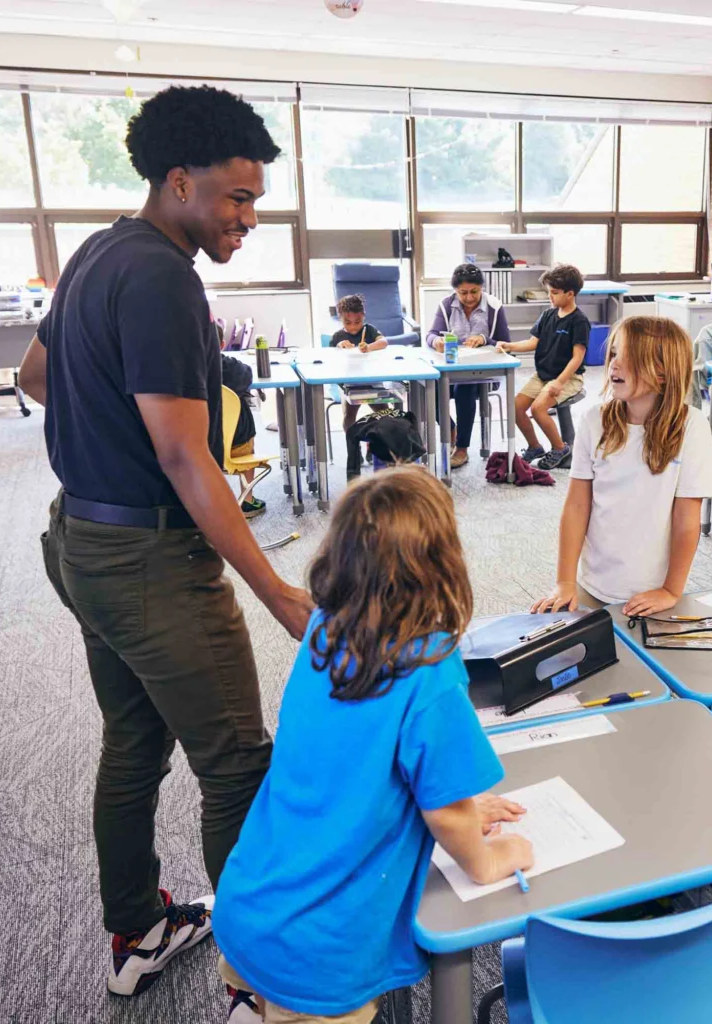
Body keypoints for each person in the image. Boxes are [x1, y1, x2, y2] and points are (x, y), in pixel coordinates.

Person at [18, 85, 312, 998]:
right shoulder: (161, 279)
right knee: (236, 765)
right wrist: (277, 591)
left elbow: (34, 375)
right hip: (147, 563)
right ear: (179, 181)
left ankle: (138, 931)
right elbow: (191, 466)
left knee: (134, 740)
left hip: (80, 541)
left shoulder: (101, 248)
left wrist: (110, 426)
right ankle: (255, 981)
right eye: (236, 198)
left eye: (256, 200)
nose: (248, 219)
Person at [213, 468, 534, 1024]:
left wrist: (454, 802)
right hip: (322, 951)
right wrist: (489, 859)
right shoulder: (429, 672)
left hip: (251, 900)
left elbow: (360, 761)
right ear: (442, 566)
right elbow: (446, 815)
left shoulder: (323, 629)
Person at [532, 316, 712, 617]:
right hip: (592, 584)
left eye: (628, 356)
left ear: (663, 372)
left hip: (654, 591)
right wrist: (564, 582)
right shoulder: (594, 421)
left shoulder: (692, 427)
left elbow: (686, 519)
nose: (614, 363)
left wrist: (671, 590)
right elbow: (577, 506)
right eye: (614, 353)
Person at [496, 263, 590, 471]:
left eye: (554, 293)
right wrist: (509, 345)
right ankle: (535, 447)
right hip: (543, 376)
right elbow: (532, 342)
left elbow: (577, 358)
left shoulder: (579, 321)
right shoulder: (547, 315)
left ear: (570, 293)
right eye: (549, 292)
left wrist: (559, 382)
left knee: (539, 409)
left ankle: (559, 448)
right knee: (516, 407)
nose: (550, 297)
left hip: (568, 377)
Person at [426, 263, 512, 470]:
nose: (469, 297)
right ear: (455, 291)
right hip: (451, 370)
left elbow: (506, 344)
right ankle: (451, 429)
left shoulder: (494, 306)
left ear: (481, 287)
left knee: (464, 388)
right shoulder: (446, 305)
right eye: (463, 292)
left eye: (474, 291)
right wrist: (436, 341)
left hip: (484, 372)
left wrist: (484, 339)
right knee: (429, 389)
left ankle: (462, 448)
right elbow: (430, 335)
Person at [331, 292, 395, 476]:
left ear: (363, 316)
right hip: (350, 384)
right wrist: (338, 347)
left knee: (385, 414)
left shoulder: (370, 330)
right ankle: (354, 448)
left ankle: (376, 444)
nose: (352, 327)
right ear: (341, 319)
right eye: (347, 322)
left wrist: (369, 347)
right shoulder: (337, 337)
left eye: (357, 322)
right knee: (349, 417)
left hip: (372, 381)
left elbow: (384, 342)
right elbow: (329, 358)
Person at [219, 353, 265, 518]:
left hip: (197, 446)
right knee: (244, 433)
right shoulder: (227, 366)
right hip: (236, 445)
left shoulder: (177, 365)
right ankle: (247, 500)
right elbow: (246, 373)